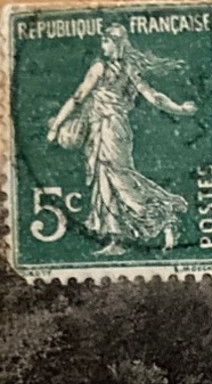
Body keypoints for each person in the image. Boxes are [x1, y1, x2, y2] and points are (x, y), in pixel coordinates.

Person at [46, 25, 196, 256]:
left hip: (109, 128)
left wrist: (56, 125)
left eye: (106, 41)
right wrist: (181, 109)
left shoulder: (101, 68)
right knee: (107, 179)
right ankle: (119, 238)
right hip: (109, 129)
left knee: (117, 177)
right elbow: (153, 97)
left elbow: (78, 97)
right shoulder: (127, 68)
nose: (103, 46)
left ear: (117, 42)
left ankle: (164, 216)